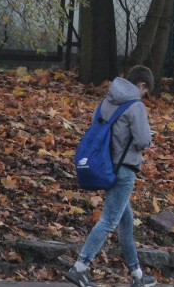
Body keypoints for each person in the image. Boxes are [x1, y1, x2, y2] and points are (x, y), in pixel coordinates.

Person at [66, 65, 157, 287]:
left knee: (125, 220)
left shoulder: (107, 101)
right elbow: (143, 141)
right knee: (108, 221)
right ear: (141, 85)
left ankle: (137, 275)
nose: (144, 96)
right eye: (146, 92)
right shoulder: (135, 106)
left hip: (106, 167)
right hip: (125, 169)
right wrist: (149, 138)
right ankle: (80, 267)